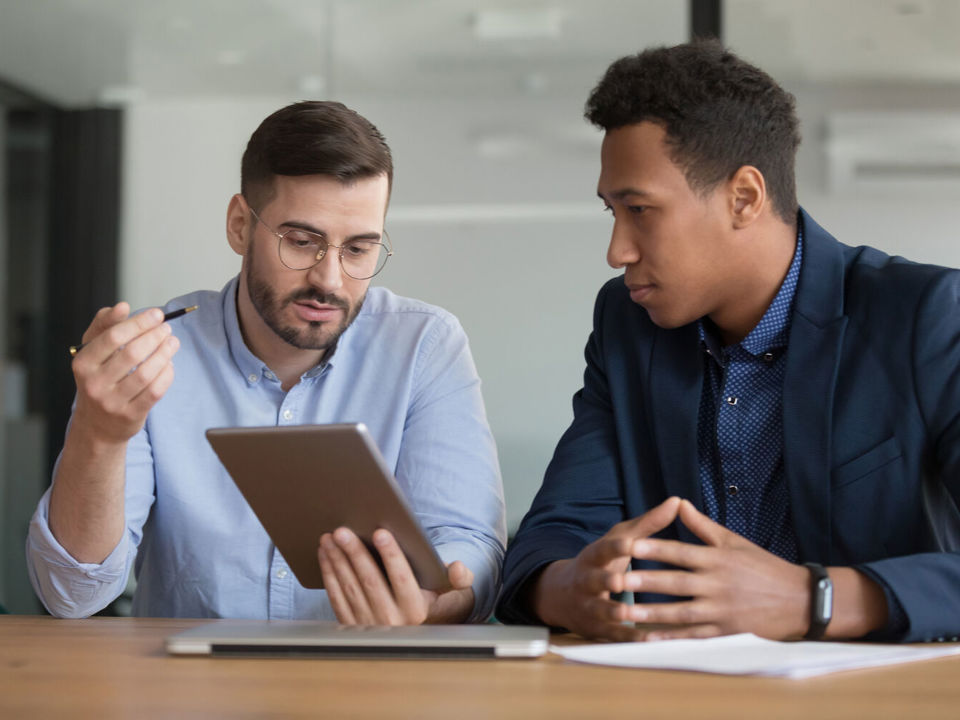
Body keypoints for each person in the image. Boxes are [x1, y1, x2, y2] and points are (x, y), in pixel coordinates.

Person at [496, 40, 960, 644]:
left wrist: (811, 599)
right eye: (612, 211)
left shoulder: (926, 317)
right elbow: (554, 533)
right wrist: (571, 589)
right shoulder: (628, 325)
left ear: (744, 197)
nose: (618, 251)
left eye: (640, 210)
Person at [27, 101, 506, 624]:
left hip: (367, 689)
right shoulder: (150, 353)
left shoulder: (424, 345)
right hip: (193, 697)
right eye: (301, 242)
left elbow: (468, 543)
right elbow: (72, 595)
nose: (330, 279)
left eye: (359, 249)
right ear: (239, 225)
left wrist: (435, 603)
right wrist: (100, 435)